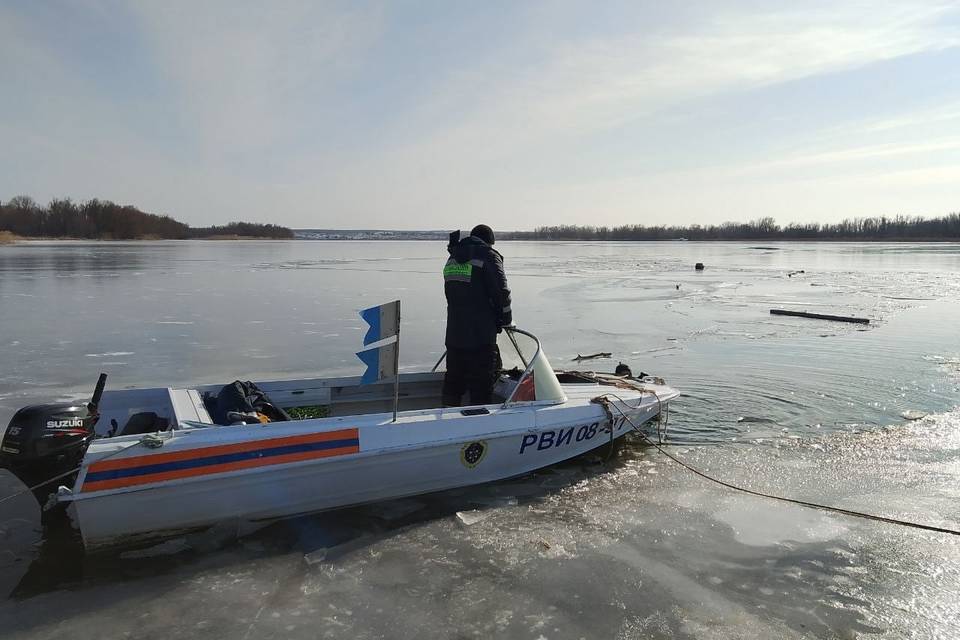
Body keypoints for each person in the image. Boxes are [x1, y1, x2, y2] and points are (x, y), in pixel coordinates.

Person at [441, 224, 512, 406]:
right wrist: (505, 319)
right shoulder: (488, 256)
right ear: (489, 242)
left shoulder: (453, 258)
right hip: (481, 336)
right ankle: (480, 425)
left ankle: (447, 420)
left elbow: (452, 294)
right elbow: (501, 292)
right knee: (481, 385)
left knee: (453, 383)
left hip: (455, 334)